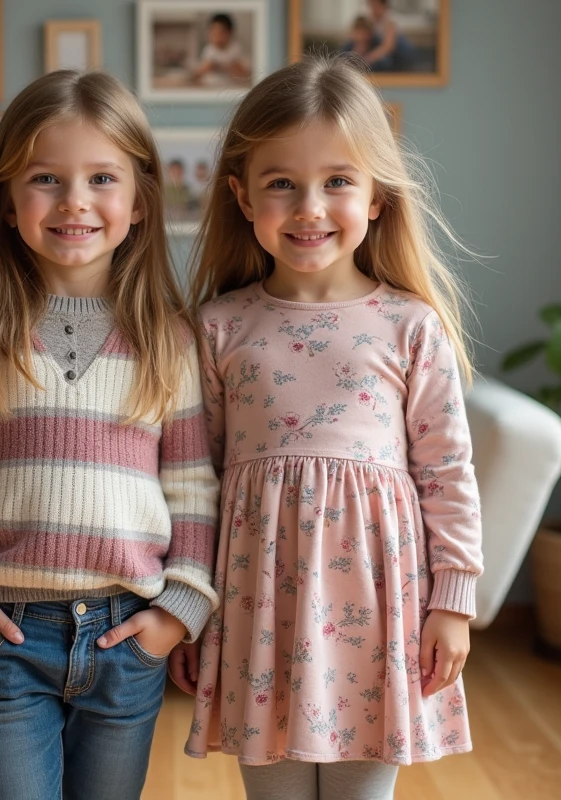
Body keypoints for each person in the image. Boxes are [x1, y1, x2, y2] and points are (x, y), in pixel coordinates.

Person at [0, 70, 220, 800]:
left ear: (138, 203)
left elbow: (195, 487)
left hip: (126, 634)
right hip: (4, 639)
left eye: (101, 177)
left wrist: (181, 609)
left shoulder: (170, 340)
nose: (74, 201)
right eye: (46, 178)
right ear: (8, 204)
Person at [172, 54, 483, 799]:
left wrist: (454, 602)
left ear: (377, 197)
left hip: (380, 614)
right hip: (257, 608)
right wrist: (186, 609)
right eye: (283, 183)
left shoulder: (411, 327)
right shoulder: (216, 327)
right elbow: (192, 481)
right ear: (243, 198)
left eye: (338, 181)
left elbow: (446, 471)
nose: (310, 206)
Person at [193, 13, 251, 86]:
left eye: (219, 33)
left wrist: (232, 67)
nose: (215, 37)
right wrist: (206, 68)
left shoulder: (235, 48)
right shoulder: (209, 49)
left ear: (229, 33)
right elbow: (199, 73)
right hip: (211, 87)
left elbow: (245, 74)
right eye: (213, 33)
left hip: (230, 87)